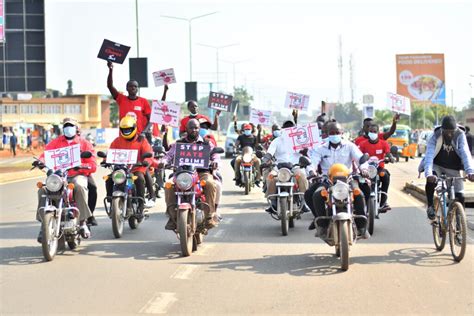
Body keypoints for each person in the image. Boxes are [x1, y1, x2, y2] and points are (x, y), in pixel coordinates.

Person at [34, 118, 97, 242]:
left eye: (71, 126)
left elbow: (93, 164)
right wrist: (40, 161)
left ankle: (83, 222)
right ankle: (44, 225)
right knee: (43, 191)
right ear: (63, 129)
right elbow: (45, 155)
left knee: (79, 186)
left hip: (76, 174)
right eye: (66, 126)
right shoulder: (55, 142)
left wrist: (83, 166)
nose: (69, 128)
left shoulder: (84, 144)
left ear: (76, 128)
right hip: (59, 176)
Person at [306, 121, 370, 238]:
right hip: (328, 180)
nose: (334, 135)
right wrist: (311, 171)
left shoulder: (350, 146)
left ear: (342, 133)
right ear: (327, 134)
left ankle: (361, 226)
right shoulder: (320, 148)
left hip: (348, 179)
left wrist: (364, 169)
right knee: (316, 195)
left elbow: (361, 159)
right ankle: (322, 225)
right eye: (332, 133)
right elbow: (313, 162)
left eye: (337, 132)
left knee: (359, 195)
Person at [161, 119, 220, 230]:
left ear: (199, 129)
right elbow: (168, 156)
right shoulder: (178, 143)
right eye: (191, 128)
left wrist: (215, 161)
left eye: (196, 128)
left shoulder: (206, 143)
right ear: (186, 129)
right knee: (168, 185)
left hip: (201, 173)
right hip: (182, 174)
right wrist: (163, 162)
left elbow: (215, 155)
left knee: (210, 184)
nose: (194, 130)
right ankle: (172, 218)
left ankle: (209, 216)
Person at [420, 115, 474, 220]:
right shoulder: (435, 135)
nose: (449, 134)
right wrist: (428, 174)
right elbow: (429, 155)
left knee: (460, 196)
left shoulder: (460, 134)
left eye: (452, 132)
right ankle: (430, 206)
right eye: (447, 132)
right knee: (431, 181)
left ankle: (459, 224)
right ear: (442, 129)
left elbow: (465, 153)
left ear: (455, 129)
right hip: (437, 165)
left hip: (454, 167)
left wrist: (470, 172)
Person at [105, 116, 154, 217]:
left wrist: (146, 161)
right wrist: (105, 160)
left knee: (139, 178)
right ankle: (111, 201)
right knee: (109, 179)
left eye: (129, 129)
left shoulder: (142, 140)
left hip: (136, 168)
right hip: (121, 169)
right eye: (124, 129)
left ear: (134, 128)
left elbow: (149, 153)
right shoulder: (117, 141)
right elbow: (110, 153)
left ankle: (141, 205)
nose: (126, 131)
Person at [264, 120, 311, 214]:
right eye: (286, 129)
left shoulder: (299, 140)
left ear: (294, 130)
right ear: (283, 130)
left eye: (291, 129)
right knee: (271, 177)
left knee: (302, 176)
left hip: (295, 167)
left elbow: (306, 153)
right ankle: (273, 203)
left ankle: (303, 202)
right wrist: (265, 160)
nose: (289, 130)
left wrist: (304, 151)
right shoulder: (276, 141)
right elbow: (269, 153)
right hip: (279, 167)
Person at [358, 123, 393, 212]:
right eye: (371, 131)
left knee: (385, 176)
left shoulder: (383, 143)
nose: (372, 133)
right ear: (368, 132)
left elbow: (388, 154)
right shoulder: (362, 144)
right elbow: (358, 156)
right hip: (366, 169)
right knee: (359, 181)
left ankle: (383, 202)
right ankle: (360, 202)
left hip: (379, 169)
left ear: (378, 132)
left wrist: (390, 158)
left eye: (374, 131)